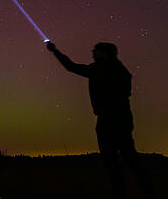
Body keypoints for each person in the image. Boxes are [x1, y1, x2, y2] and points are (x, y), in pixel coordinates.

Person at [46, 41, 154, 198]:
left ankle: (123, 193)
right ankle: (147, 191)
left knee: (113, 161)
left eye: (96, 50)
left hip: (108, 119)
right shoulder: (120, 69)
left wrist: (55, 51)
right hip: (122, 117)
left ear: (104, 53)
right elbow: (126, 89)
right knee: (129, 157)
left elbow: (71, 67)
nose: (93, 53)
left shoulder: (99, 68)